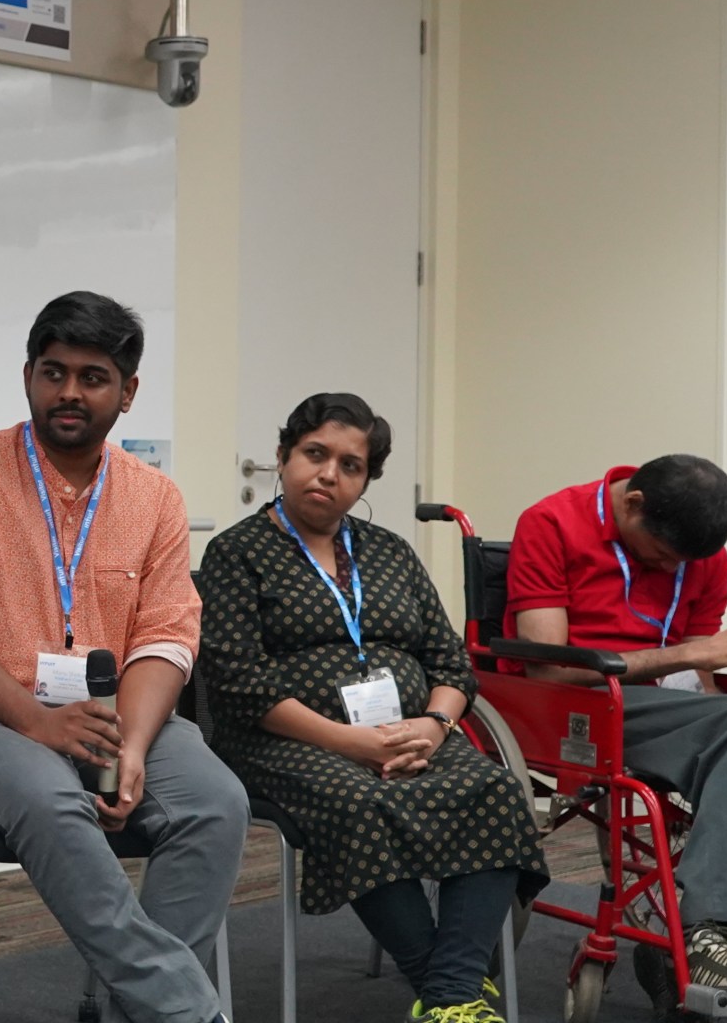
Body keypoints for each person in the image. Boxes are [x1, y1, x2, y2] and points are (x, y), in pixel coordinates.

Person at [0, 291, 248, 1023]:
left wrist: (136, 746)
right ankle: (184, 1011)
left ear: (128, 391)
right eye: (53, 373)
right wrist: (37, 724)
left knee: (216, 802)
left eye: (93, 377)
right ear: (28, 376)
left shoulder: (155, 499)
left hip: (106, 719)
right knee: (52, 798)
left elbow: (166, 639)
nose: (70, 393)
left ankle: (131, 1011)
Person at [202, 393, 546, 1023]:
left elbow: (450, 663)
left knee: (495, 790)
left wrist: (435, 726)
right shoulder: (236, 554)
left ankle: (448, 993)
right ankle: (452, 994)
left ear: (366, 480)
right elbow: (236, 682)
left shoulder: (389, 552)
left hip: (412, 734)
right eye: (314, 454)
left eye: (351, 465)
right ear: (282, 458)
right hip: (284, 741)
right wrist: (348, 742)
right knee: (360, 801)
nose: (329, 474)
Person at [503, 455, 727, 1011]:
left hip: (661, 707)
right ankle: (696, 937)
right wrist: (695, 659)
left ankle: (725, 948)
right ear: (632, 504)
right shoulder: (550, 523)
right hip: (574, 704)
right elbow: (550, 668)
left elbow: (701, 681)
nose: (670, 571)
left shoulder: (703, 557)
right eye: (663, 556)